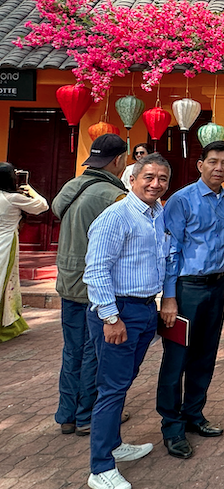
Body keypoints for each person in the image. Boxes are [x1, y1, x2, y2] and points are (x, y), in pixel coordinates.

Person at [83, 153, 172, 489]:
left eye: (162, 179)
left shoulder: (157, 214)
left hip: (144, 310)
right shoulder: (116, 216)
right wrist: (110, 316)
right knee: (111, 388)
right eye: (148, 177)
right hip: (118, 312)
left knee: (122, 382)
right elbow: (95, 270)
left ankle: (114, 445)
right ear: (132, 179)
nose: (155, 184)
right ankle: (100, 467)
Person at [156, 140, 224, 459]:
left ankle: (194, 415)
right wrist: (169, 298)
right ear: (200, 164)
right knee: (176, 360)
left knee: (205, 355)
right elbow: (170, 250)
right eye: (213, 161)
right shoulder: (180, 200)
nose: (219, 168)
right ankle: (172, 426)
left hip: (216, 287)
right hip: (185, 289)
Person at [52, 134, 128, 435]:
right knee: (93, 351)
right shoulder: (114, 195)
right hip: (94, 284)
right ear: (119, 161)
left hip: (67, 277)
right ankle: (86, 415)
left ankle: (66, 415)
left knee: (71, 350)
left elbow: (56, 210)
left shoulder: (72, 185)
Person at [0, 163, 48, 342]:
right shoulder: (13, 198)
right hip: (5, 244)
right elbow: (42, 205)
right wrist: (29, 189)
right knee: (4, 282)